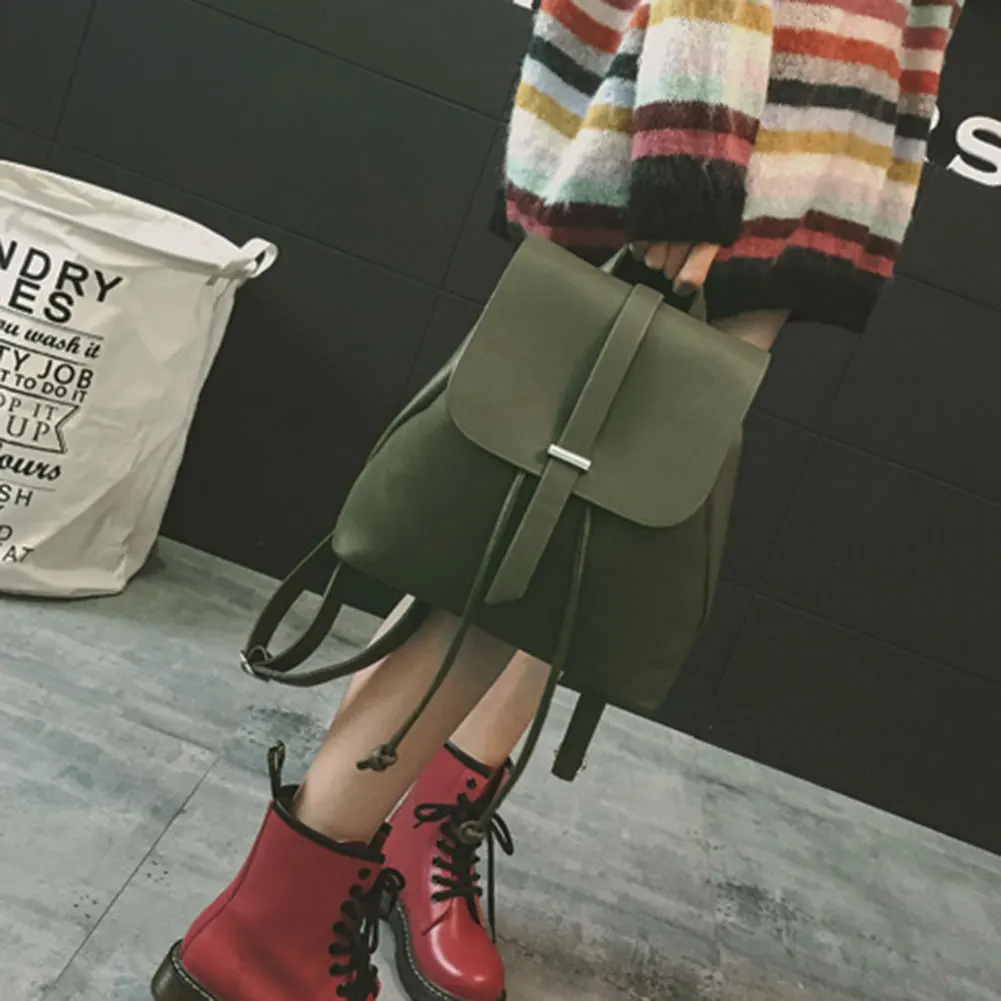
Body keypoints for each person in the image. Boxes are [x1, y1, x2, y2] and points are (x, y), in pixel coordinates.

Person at [151, 2, 964, 1001]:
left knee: (578, 533)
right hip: (727, 136)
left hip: (789, 149)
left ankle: (411, 823)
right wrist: (692, 159)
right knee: (517, 556)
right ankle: (272, 929)